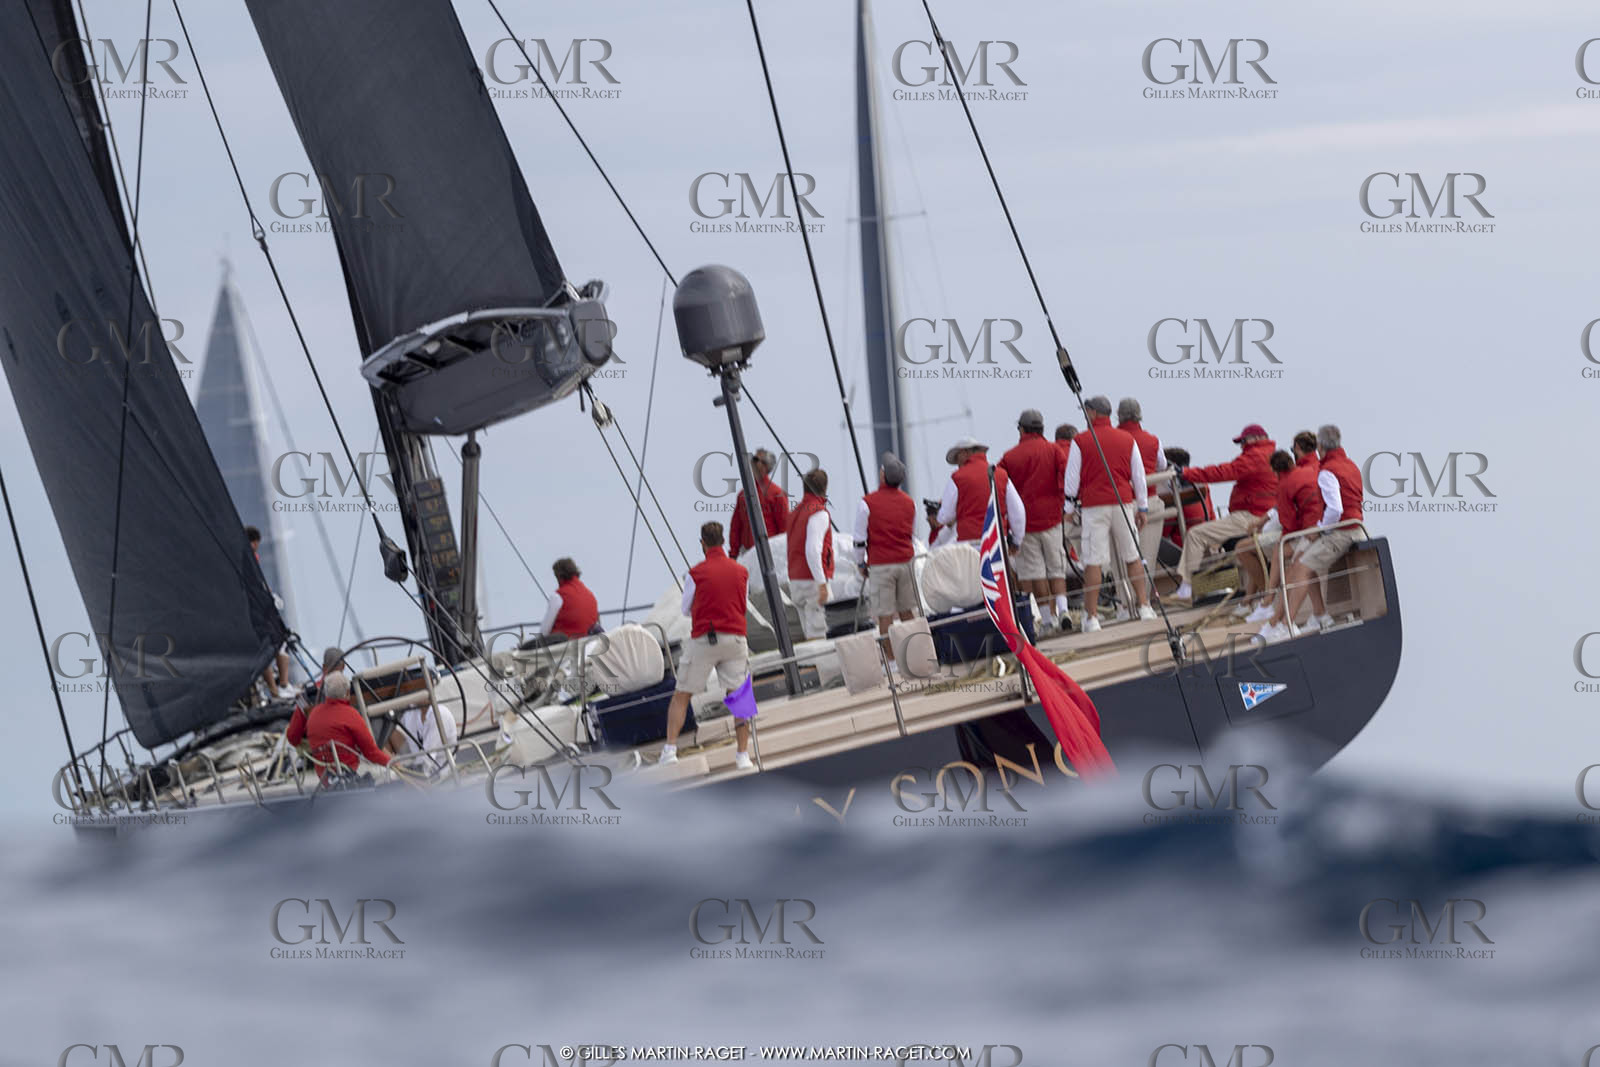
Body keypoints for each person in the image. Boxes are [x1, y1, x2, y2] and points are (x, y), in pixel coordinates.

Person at [661, 522, 753, 769]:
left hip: (704, 638)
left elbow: (685, 609)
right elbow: (742, 606)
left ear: (702, 543)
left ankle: (669, 750)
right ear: (723, 541)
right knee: (739, 696)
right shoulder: (740, 571)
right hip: (735, 639)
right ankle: (743, 755)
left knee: (682, 695)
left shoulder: (695, 573)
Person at [1261, 425, 1365, 641]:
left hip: (1341, 532)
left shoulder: (1328, 471)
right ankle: (1319, 615)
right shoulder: (1350, 464)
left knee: (1300, 568)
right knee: (1301, 560)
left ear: (1320, 447)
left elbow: (1335, 509)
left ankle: (1286, 625)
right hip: (1354, 527)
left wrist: (1319, 529)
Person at [1062, 396, 1154, 631]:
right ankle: (1144, 606)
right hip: (1123, 503)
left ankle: (1091, 618)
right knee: (1132, 555)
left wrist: (1069, 511)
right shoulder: (1127, 439)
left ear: (1093, 413)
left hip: (1094, 507)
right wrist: (1142, 507)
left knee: (1093, 561)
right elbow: (1138, 476)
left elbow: (1071, 481)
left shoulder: (1080, 441)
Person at [1173, 424, 1278, 601]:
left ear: (1257, 439)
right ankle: (1213, 588)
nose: (1242, 446)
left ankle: (1187, 589)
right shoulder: (1271, 456)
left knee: (1196, 535)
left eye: (1244, 441)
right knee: (1218, 545)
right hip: (1259, 516)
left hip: (1250, 516)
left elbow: (1224, 472)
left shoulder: (1255, 457)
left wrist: (1186, 474)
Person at [999, 409, 1070, 630]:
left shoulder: (1009, 458)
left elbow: (1000, 487)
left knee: (1036, 573)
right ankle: (1064, 610)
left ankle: (1048, 621)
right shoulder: (1054, 450)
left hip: (1026, 525)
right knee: (1056, 568)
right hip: (1052, 518)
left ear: (1022, 429)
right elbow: (1066, 479)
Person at [855, 452, 921, 664]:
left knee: (885, 614)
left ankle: (891, 661)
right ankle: (915, 656)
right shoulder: (910, 503)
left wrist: (861, 563)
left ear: (883, 476)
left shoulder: (867, 503)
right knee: (907, 612)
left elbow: (859, 539)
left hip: (881, 564)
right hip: (906, 562)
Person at [291, 671, 390, 782]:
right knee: (386, 774)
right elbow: (371, 753)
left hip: (324, 779)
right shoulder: (351, 715)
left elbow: (293, 737)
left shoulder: (313, 714)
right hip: (347, 777)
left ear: (326, 693)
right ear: (348, 692)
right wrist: (394, 763)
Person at [1238, 450, 1296, 620]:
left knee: (1243, 549)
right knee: (1253, 550)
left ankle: (1267, 601)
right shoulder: (1289, 481)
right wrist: (1262, 523)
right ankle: (1249, 601)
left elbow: (1284, 512)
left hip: (1287, 535)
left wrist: (1261, 524)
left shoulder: (1288, 482)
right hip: (1280, 531)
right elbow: (1278, 508)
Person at [936, 436, 1024, 547]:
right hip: (998, 542)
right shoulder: (1001, 475)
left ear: (965, 452)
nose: (958, 465)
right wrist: (1017, 541)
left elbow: (944, 517)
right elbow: (1018, 512)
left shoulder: (957, 478)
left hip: (971, 544)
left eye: (958, 458)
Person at [787, 468, 834, 640]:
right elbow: (813, 549)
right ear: (825, 488)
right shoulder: (819, 513)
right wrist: (821, 583)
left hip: (795, 580)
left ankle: (813, 665)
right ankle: (823, 667)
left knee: (809, 633)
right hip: (812, 579)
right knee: (820, 633)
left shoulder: (794, 513)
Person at [247, 525, 292, 699]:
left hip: (257, 612)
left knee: (268, 649)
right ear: (254, 542)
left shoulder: (245, 558)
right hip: (261, 612)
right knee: (279, 645)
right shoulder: (249, 558)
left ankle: (276, 690)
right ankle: (282, 686)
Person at [728, 448, 789, 559]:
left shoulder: (777, 494)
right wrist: (733, 554)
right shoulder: (743, 495)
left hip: (770, 555)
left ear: (765, 466)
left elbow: (784, 528)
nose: (751, 462)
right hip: (747, 555)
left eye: (755, 459)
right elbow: (736, 527)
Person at [1116, 399, 1168, 508]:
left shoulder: (1112, 440)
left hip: (1121, 502)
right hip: (1150, 500)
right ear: (1139, 414)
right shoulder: (1153, 440)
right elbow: (1162, 466)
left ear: (1118, 415)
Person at [540, 558, 601, 640]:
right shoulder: (591, 595)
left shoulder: (558, 596)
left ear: (559, 576)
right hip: (588, 642)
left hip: (565, 646)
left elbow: (544, 631)